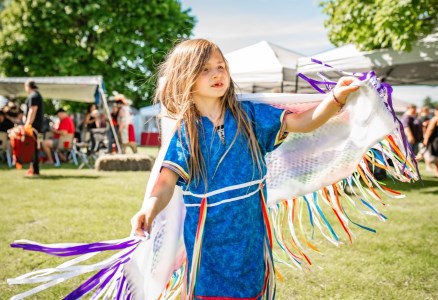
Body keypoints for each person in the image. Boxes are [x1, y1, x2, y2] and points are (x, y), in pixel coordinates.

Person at [130, 39, 359, 298]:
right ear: (186, 78)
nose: (217, 73)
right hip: (208, 241)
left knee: (251, 291)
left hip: (249, 233)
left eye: (220, 66)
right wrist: (148, 209)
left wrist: (336, 97)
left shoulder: (249, 115)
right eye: (205, 69)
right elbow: (166, 181)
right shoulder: (187, 133)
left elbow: (304, 122)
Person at [24, 80, 44, 176]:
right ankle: (33, 169)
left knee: (33, 148)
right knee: (35, 148)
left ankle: (35, 170)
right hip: (37, 127)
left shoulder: (34, 96)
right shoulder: (37, 95)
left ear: (28, 86)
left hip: (34, 127)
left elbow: (32, 111)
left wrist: (27, 124)